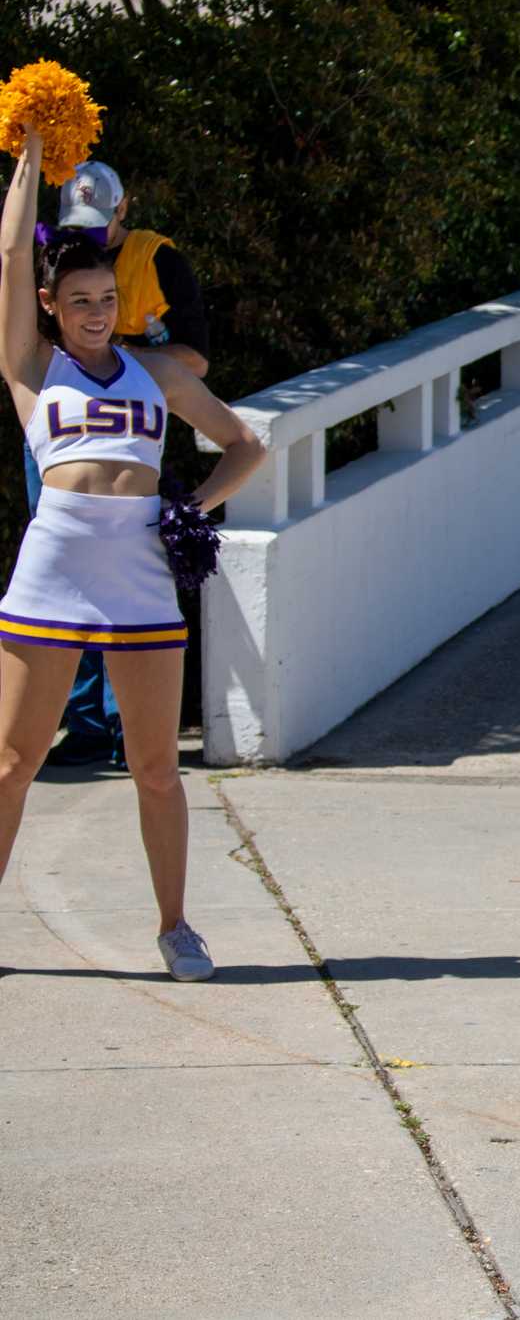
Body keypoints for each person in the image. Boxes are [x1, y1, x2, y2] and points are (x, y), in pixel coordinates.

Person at [0, 128, 266, 979]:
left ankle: (176, 926)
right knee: (13, 760)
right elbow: (11, 249)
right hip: (52, 571)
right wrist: (30, 157)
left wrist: (189, 509)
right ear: (50, 305)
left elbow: (244, 444)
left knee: (155, 767)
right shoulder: (32, 370)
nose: (95, 313)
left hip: (141, 576)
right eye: (78, 300)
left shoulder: (157, 371)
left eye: (105, 299)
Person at [31, 160, 211, 768]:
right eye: (77, 226)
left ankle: (121, 727)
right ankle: (82, 723)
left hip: (136, 429)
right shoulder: (55, 260)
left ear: (124, 210)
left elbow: (196, 358)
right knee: (66, 585)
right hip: (63, 433)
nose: (89, 238)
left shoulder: (160, 259)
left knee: (126, 590)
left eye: (100, 225)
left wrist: (122, 361)